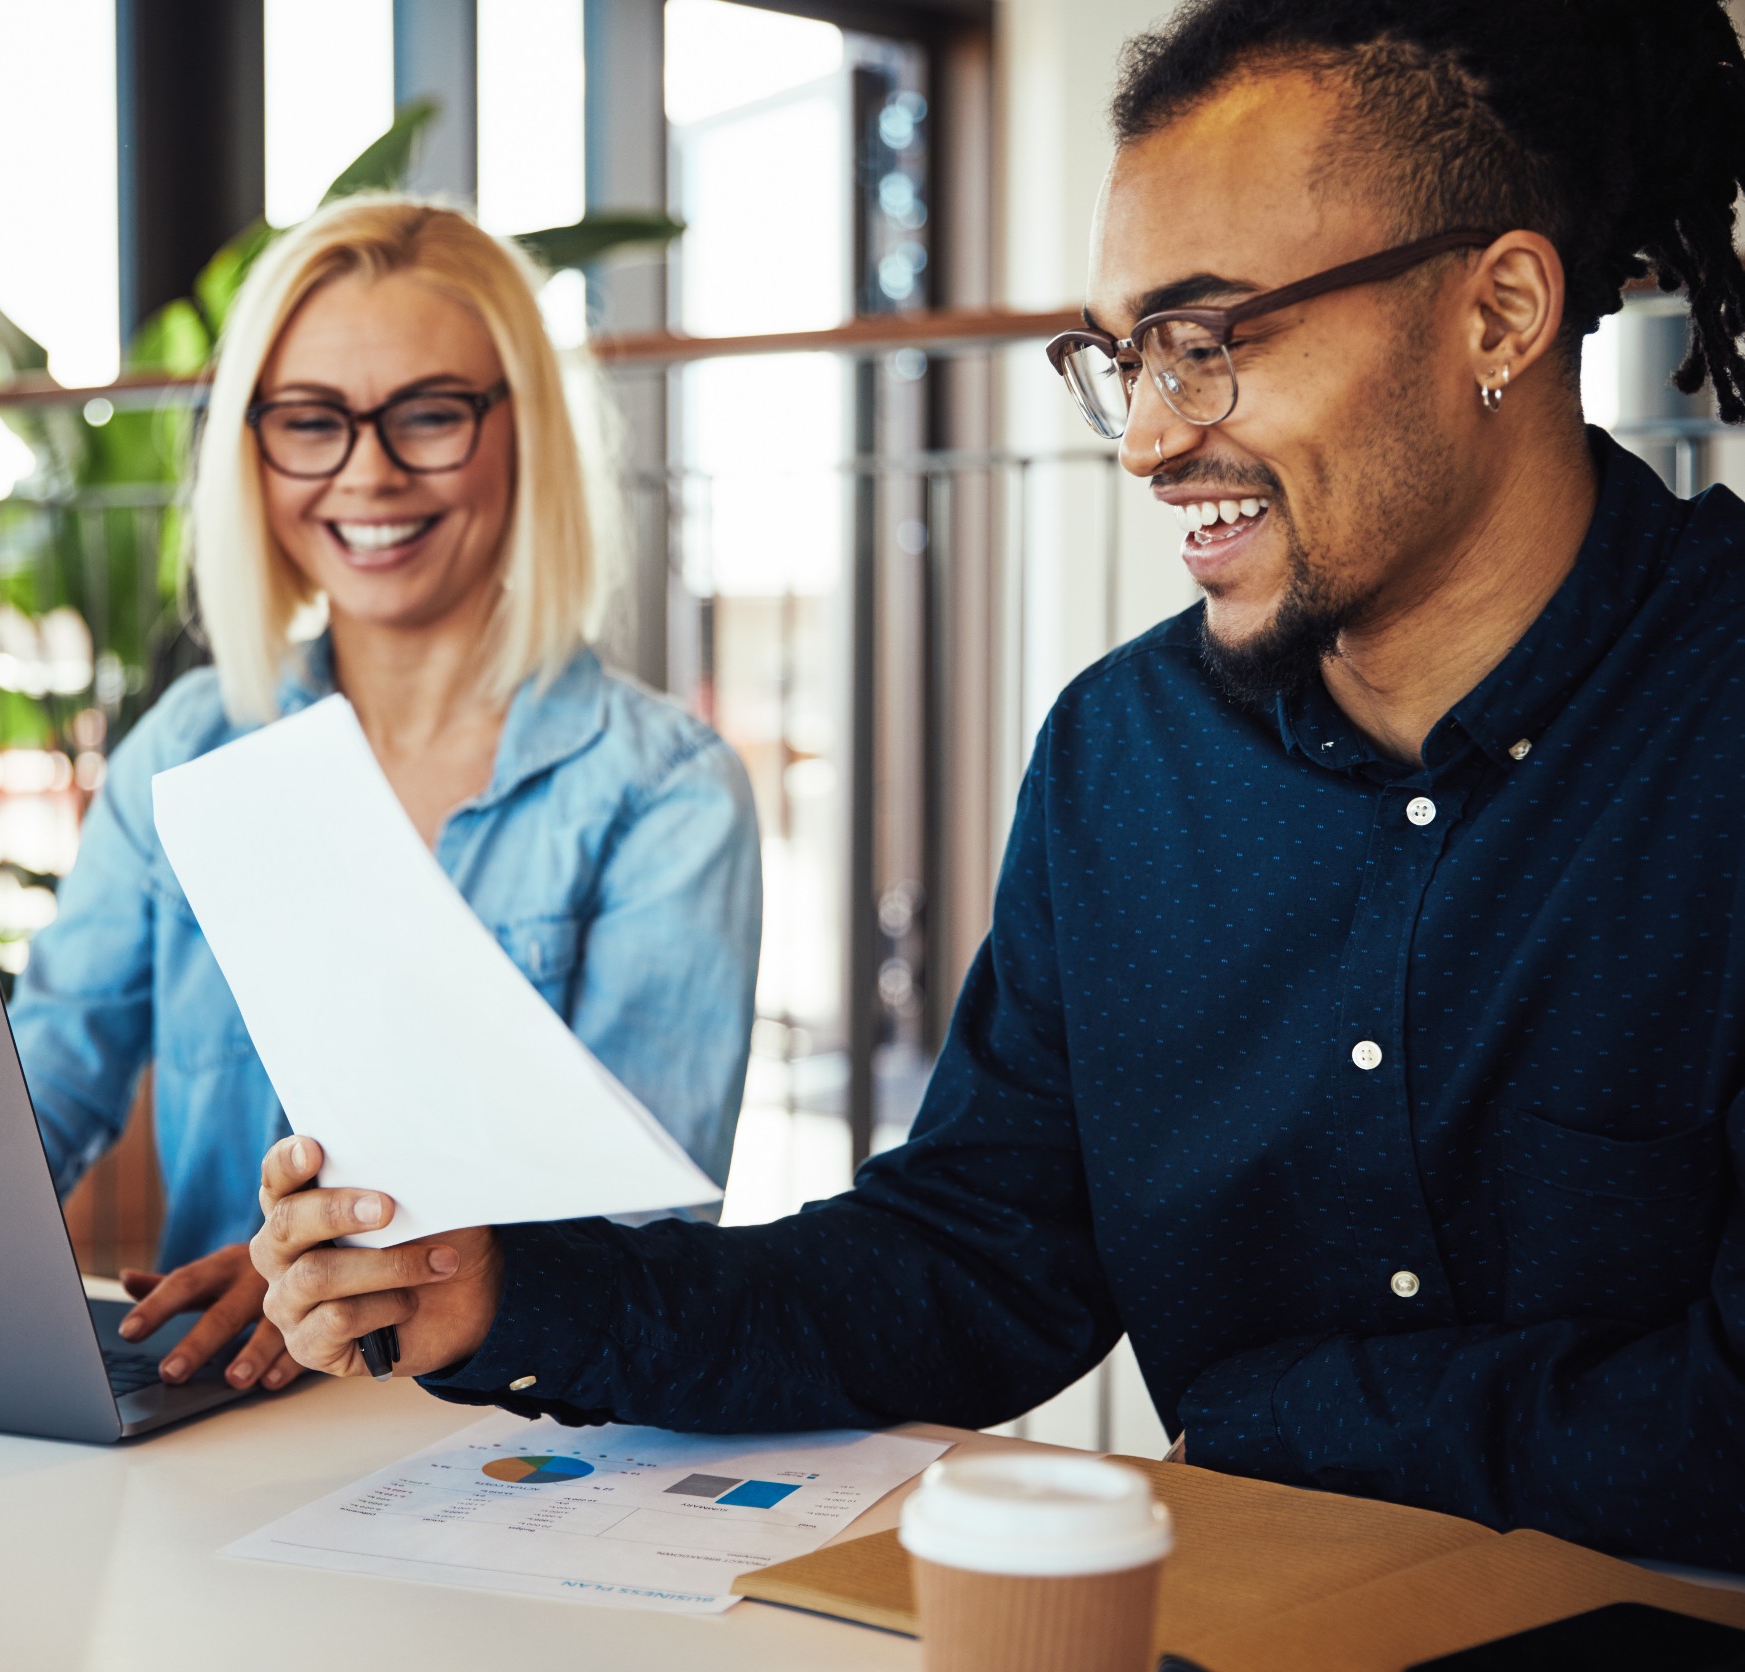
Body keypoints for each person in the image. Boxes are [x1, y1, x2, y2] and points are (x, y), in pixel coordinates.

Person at [249, 0, 1745, 1566]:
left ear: (1499, 312)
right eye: (1125, 358)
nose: (1150, 441)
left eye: (1210, 341)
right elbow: (973, 1258)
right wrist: (512, 1294)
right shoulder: (1127, 759)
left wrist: (1275, 1425)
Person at [6, 197, 761, 1398]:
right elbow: (38, 1092)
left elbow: (640, 1241)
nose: (368, 471)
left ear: (523, 431)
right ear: (255, 447)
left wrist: (337, 1276)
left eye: (427, 415)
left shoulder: (662, 793)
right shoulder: (186, 751)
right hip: (217, 1419)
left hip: (503, 1445)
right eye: (311, 420)